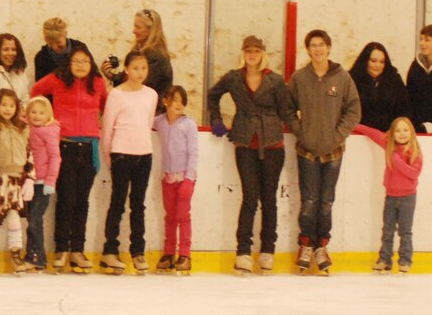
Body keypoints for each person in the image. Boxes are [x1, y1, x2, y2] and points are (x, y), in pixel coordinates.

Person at [206, 35, 299, 274]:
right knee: (249, 198)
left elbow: (287, 111)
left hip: (272, 145)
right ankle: (244, 251)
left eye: (256, 50)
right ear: (243, 52)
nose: (252, 54)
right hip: (245, 143)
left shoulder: (275, 81)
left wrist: (302, 133)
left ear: (263, 53)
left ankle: (268, 250)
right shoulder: (234, 78)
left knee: (269, 199)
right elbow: (213, 94)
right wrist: (216, 118)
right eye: (248, 50)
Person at [289, 29, 361, 274]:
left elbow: (353, 110)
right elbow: (288, 109)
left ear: (329, 48)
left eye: (321, 45)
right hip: (306, 150)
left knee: (326, 201)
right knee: (309, 201)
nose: (317, 49)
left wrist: (337, 135)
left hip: (333, 151)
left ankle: (322, 246)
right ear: (307, 49)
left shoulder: (342, 78)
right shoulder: (299, 78)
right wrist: (301, 131)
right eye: (313, 45)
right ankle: (306, 244)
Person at [30, 46, 107, 273]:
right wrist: (46, 118)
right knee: (65, 200)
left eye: (85, 61)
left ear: (91, 63)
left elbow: (106, 104)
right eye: (76, 61)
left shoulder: (98, 83)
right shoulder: (57, 78)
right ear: (68, 63)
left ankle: (78, 250)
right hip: (64, 145)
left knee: (82, 201)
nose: (81, 65)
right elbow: (36, 91)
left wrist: (96, 122)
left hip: (90, 146)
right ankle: (62, 249)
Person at [98, 51, 158, 275]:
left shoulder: (151, 94)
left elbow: (147, 122)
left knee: (138, 205)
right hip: (121, 153)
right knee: (118, 203)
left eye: (143, 68)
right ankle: (110, 251)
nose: (140, 72)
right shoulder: (116, 94)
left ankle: (138, 251)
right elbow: (107, 126)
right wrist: (108, 155)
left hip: (144, 154)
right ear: (126, 69)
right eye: (135, 68)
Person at [355, 118, 423, 274]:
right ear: (392, 133)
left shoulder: (414, 151)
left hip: (408, 197)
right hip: (391, 196)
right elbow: (372, 132)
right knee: (387, 230)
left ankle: (405, 261)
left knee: (405, 231)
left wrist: (396, 160)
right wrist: (353, 125)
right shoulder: (388, 144)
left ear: (411, 132)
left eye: (405, 130)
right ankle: (385, 260)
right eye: (398, 131)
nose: (402, 134)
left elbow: (414, 173)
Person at [0, 89, 35, 275]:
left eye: (11, 105)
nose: (7, 109)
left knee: (14, 219)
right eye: (3, 105)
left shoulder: (23, 128)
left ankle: (15, 252)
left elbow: (30, 153)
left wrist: (30, 179)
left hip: (15, 181)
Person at [152, 86, 198, 275]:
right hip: (168, 177)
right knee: (170, 217)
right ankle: (169, 253)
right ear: (165, 102)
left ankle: (185, 254)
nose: (179, 104)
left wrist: (189, 178)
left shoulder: (189, 124)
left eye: (181, 100)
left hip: (185, 177)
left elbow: (194, 152)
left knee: (182, 216)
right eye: (174, 100)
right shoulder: (160, 122)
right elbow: (144, 121)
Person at [102, 9, 173, 113]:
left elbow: (137, 83)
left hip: (152, 115)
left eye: (138, 27)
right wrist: (111, 76)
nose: (133, 31)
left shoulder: (155, 57)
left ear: (150, 30)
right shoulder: (148, 53)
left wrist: (113, 79)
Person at [24, 96, 60, 272]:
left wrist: (50, 181)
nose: (37, 115)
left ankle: (38, 256)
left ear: (48, 115)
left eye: (41, 112)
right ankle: (33, 256)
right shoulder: (27, 129)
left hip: (43, 184)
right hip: (29, 182)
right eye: (33, 112)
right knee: (32, 220)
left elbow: (55, 157)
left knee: (35, 221)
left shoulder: (49, 132)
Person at [349, 42, 411, 132]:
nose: (377, 65)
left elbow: (404, 110)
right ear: (365, 60)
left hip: (388, 136)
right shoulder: (351, 80)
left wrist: (397, 129)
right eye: (373, 61)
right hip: (358, 135)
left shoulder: (394, 80)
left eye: (382, 62)